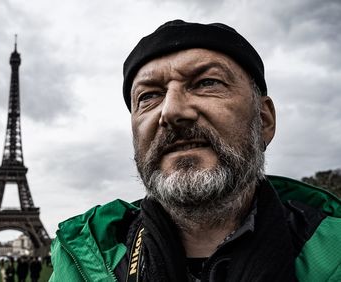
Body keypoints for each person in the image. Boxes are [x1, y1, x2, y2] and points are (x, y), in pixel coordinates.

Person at [49, 20, 341, 281]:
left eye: (206, 83)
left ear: (264, 120)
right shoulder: (77, 266)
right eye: (149, 96)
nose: (172, 110)